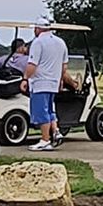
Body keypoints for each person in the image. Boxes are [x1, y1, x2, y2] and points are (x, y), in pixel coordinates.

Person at [26, 21, 75, 151]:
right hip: (53, 82)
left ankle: (45, 140)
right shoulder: (61, 42)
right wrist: (60, 80)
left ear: (38, 28)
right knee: (49, 110)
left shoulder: (38, 42)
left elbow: (32, 64)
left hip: (40, 82)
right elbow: (64, 66)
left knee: (41, 112)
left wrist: (25, 79)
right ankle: (56, 132)